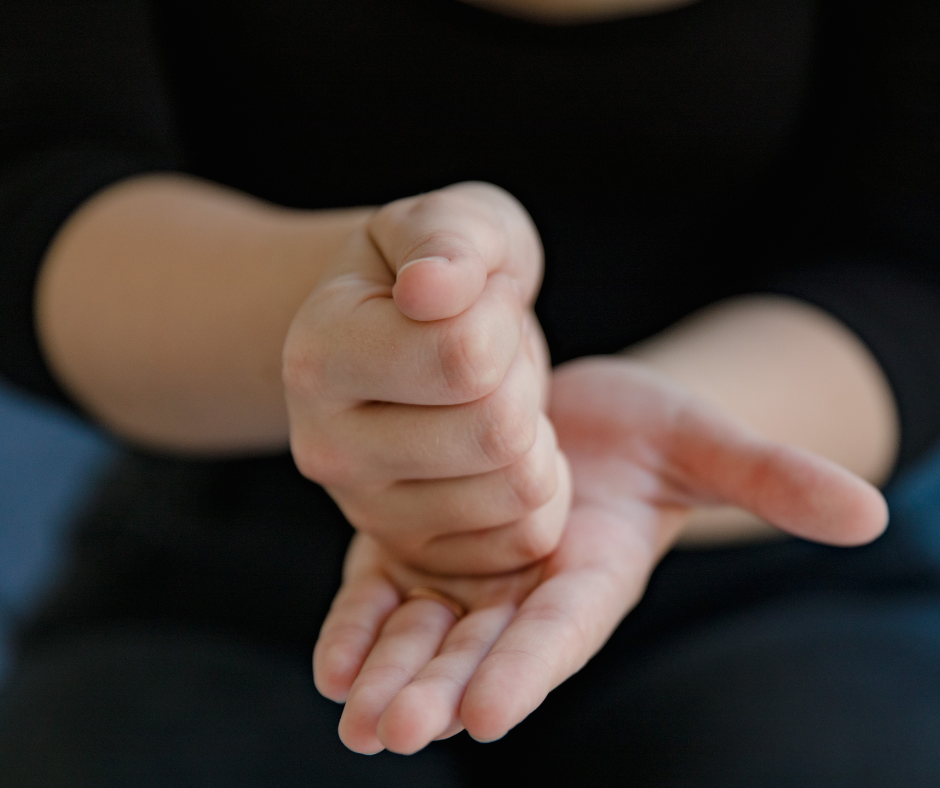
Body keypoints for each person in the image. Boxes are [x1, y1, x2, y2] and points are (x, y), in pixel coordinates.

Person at [1, 0, 939, 784]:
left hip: (752, 532)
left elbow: (908, 263)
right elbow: (38, 184)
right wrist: (342, 315)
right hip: (231, 537)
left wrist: (637, 445)